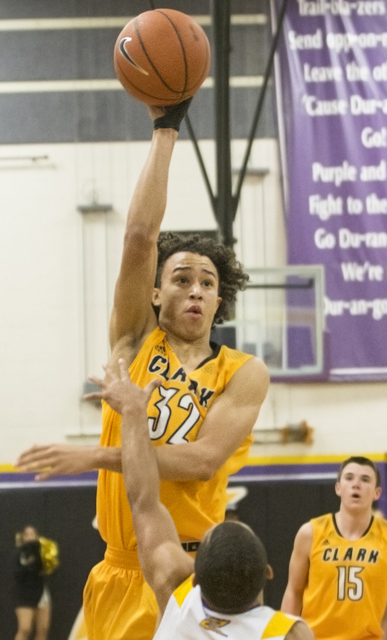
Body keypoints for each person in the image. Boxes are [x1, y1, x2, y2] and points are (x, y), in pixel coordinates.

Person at [17, 98, 269, 640]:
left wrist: (95, 456)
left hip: (182, 571)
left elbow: (202, 461)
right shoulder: (133, 342)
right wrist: (165, 128)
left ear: (220, 300)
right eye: (181, 278)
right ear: (155, 293)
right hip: (113, 567)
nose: (195, 288)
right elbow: (138, 237)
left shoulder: (244, 372)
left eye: (207, 281)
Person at [87, 358, 312, 640]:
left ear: (195, 577)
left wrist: (133, 412)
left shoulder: (177, 599)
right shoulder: (287, 633)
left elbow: (142, 500)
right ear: (267, 573)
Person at [281, 456, 387, 640]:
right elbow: (293, 592)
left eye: (365, 479)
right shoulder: (310, 532)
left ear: (377, 493)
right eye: (349, 478)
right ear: (338, 488)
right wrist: (284, 635)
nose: (356, 485)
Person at [13, 526, 57, 640]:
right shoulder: (19, 553)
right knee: (25, 629)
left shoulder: (43, 550)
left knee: (43, 629)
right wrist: (28, 564)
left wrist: (46, 560)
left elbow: (48, 568)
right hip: (24, 595)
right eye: (27, 534)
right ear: (23, 537)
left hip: (41, 592)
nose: (30, 536)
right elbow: (17, 574)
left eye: (33, 533)